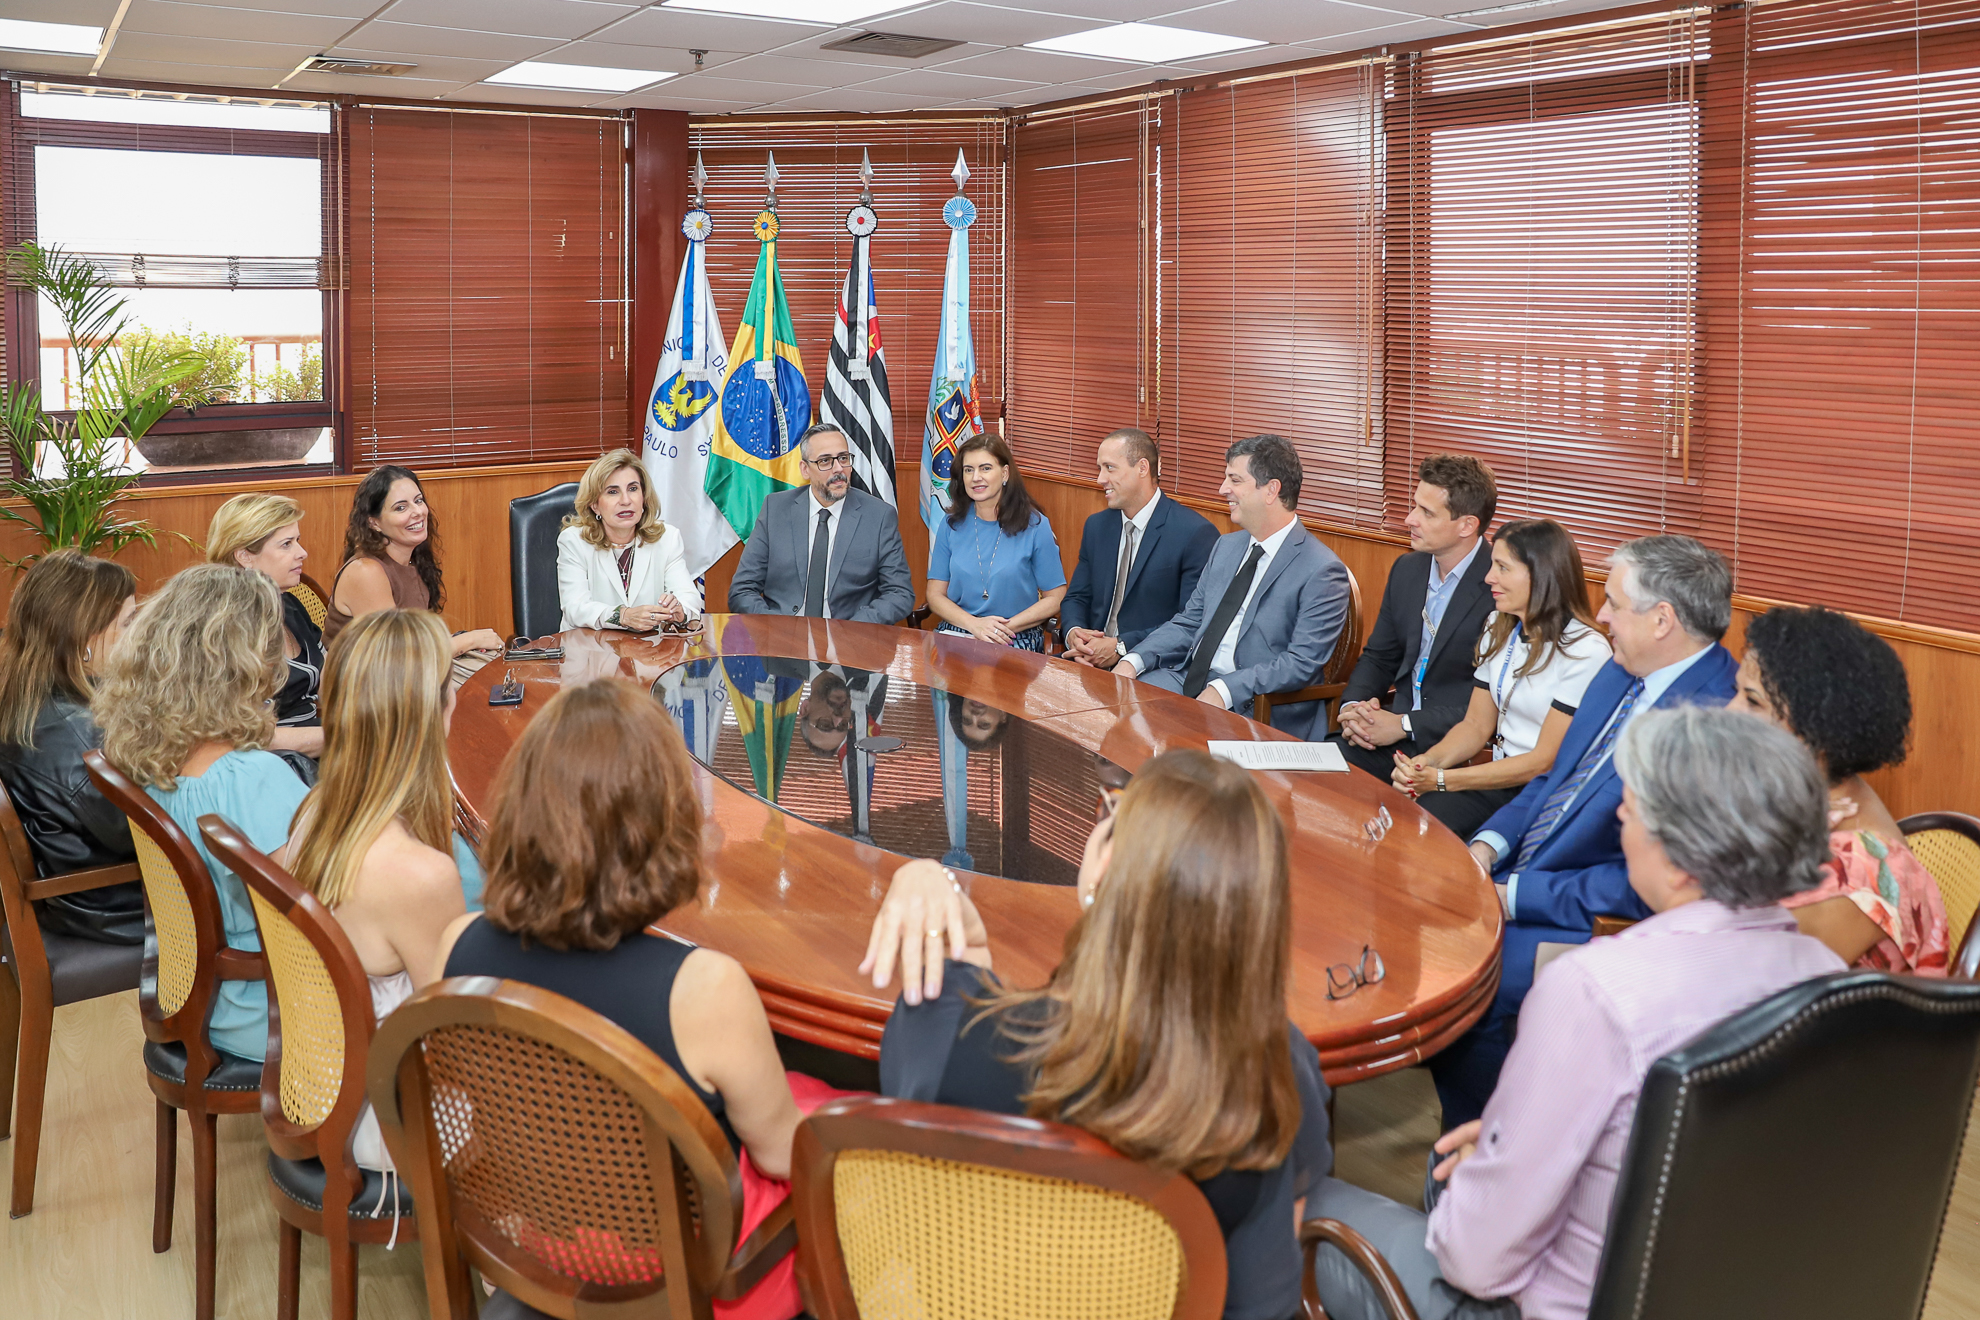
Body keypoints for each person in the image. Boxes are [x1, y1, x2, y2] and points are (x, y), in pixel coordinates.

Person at [1308, 707, 1847, 1320]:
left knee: (1294, 1200)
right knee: (1449, 1168)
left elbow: (1473, 1262)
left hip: (1552, 1302)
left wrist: (1491, 1172)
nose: (1619, 817)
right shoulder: (1831, 978)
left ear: (1680, 862)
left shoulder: (1595, 991)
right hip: (1735, 1287)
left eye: (1634, 810)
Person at [860, 749, 1332, 1320]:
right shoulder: (1273, 1072)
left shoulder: (946, 1027)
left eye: (1112, 812)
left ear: (1105, 868)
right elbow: (1261, 1299)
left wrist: (924, 876)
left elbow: (949, 1023)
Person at [436, 678, 840, 1320]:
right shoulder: (706, 989)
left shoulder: (455, 948)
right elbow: (780, 1152)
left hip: (535, 1241)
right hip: (681, 1276)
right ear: (662, 822)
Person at [1432, 534, 1739, 1127]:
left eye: (1614, 604)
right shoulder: (1623, 670)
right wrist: (1487, 847)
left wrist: (1516, 896)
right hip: (1533, 876)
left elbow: (1653, 883)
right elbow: (1553, 780)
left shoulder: (1715, 718)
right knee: (1437, 925)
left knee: (1466, 985)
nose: (1600, 616)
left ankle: (1503, 1143)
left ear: (1662, 620)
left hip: (1604, 923)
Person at [276, 610, 477, 1171]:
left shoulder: (316, 810)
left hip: (325, 1081)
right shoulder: (419, 875)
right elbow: (457, 1043)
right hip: (393, 1114)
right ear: (435, 709)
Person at [95, 565, 312, 1063]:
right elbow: (324, 913)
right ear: (248, 662)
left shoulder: (146, 758)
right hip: (275, 1008)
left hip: (197, 992)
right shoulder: (251, 779)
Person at [1731, 605, 1948, 974]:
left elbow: (1741, 978)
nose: (1728, 712)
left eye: (1752, 702)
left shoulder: (1861, 873)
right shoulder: (1802, 801)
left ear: (1816, 734)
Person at [1390, 519, 1611, 838]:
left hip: (1544, 793)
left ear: (1541, 575)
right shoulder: (1498, 624)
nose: (1489, 577)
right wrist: (1425, 763)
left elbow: (1542, 761)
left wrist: (1442, 780)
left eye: (1503, 568)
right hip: (1498, 778)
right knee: (1412, 822)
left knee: (1440, 836)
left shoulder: (1585, 650)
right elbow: (1475, 725)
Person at [1119, 435, 1350, 738]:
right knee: (1119, 712)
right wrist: (1134, 659)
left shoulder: (1322, 569)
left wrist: (1225, 688)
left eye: (1235, 480)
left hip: (1258, 703)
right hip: (1188, 679)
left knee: (1176, 746)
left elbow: (1300, 663)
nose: (1222, 489)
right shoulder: (1225, 547)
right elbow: (1190, 622)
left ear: (1271, 490)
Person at [0, 550, 144, 944]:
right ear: (84, 640)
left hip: (80, 895)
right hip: (116, 904)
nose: (139, 635)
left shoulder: (27, 694)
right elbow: (144, 833)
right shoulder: (78, 737)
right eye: (129, 622)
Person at [1336, 455, 1498, 776]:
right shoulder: (1407, 569)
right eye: (1414, 506)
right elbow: (1379, 658)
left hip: (1460, 749)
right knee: (1317, 769)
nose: (1410, 519)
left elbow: (1494, 700)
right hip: (1392, 737)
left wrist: (1405, 724)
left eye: (1427, 512)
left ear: (1467, 525)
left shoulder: (1500, 586)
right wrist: (1355, 710)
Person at [1060, 427, 1218, 668]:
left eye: (1109, 467)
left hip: (1150, 665)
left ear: (1142, 468)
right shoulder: (1097, 526)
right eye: (1099, 468)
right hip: (1087, 659)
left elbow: (1191, 622)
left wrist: (1121, 647)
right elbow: (1077, 597)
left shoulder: (1194, 533)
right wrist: (1075, 633)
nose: (1100, 479)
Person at [728, 422, 915, 625]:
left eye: (843, 458)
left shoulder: (879, 516)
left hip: (849, 636)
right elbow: (742, 590)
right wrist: (777, 629)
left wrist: (852, 630)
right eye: (825, 461)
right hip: (782, 635)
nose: (838, 469)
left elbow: (899, 593)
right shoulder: (775, 509)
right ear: (805, 469)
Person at [323, 465, 504, 671]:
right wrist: (467, 641)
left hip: (409, 675)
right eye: (401, 508)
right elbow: (397, 657)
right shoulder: (365, 571)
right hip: (366, 684)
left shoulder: (413, 559)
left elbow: (418, 644)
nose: (418, 512)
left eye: (418, 501)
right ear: (374, 523)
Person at [205, 493, 325, 759]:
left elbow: (331, 685)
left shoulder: (290, 605)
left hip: (315, 742)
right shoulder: (227, 627)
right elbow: (243, 736)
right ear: (244, 556)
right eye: (286, 544)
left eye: (297, 541)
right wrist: (344, 738)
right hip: (268, 761)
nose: (302, 553)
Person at [925, 433, 1067, 650]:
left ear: (1005, 473)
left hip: (1014, 634)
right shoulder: (951, 524)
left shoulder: (1035, 525)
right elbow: (935, 595)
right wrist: (974, 625)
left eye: (985, 468)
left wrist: (1000, 629)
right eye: (968, 470)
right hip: (960, 631)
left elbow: (1056, 597)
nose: (976, 477)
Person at [556, 448, 703, 632]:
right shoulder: (574, 541)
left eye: (633, 489)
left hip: (649, 647)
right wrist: (623, 616)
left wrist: (679, 610)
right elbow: (575, 608)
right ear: (595, 505)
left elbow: (689, 598)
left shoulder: (667, 538)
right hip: (588, 646)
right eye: (612, 492)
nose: (626, 500)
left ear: (644, 498)